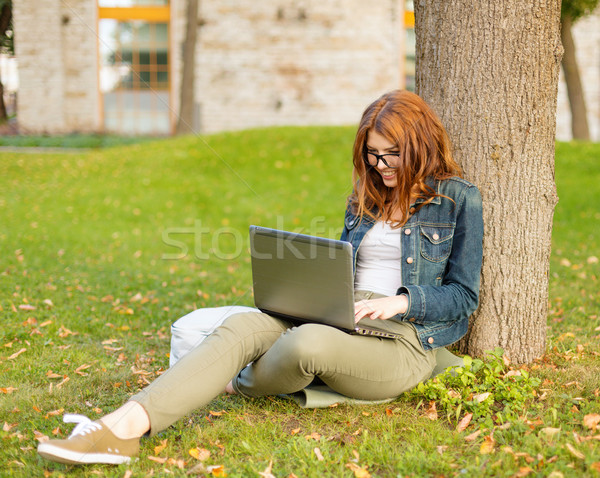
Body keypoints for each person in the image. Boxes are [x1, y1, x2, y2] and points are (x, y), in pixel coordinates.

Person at [37, 90, 483, 465]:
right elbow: (347, 264)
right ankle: (119, 428)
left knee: (304, 343)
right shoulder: (365, 196)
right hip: (343, 314)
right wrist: (313, 289)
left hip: (404, 341)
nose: (381, 166)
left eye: (392, 154)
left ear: (420, 144)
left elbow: (464, 296)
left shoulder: (459, 200)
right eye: (372, 154)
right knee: (243, 325)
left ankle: (237, 381)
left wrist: (400, 301)